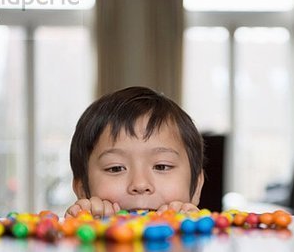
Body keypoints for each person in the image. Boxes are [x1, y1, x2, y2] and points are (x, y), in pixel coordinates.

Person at [65, 86, 204, 218]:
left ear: (196, 186)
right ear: (82, 189)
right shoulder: (77, 235)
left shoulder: (210, 237)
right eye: (116, 168)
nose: (140, 184)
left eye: (161, 166)